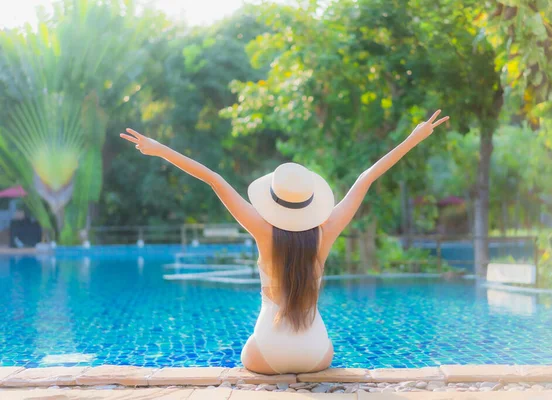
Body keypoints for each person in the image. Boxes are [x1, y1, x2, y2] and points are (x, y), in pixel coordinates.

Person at [120, 110, 449, 374]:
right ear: (310, 201)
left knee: (244, 353)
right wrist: (413, 138)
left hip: (267, 353)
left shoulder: (262, 230)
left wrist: (159, 148)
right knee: (328, 347)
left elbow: (214, 180)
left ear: (274, 200)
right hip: (317, 355)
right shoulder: (327, 230)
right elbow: (366, 179)